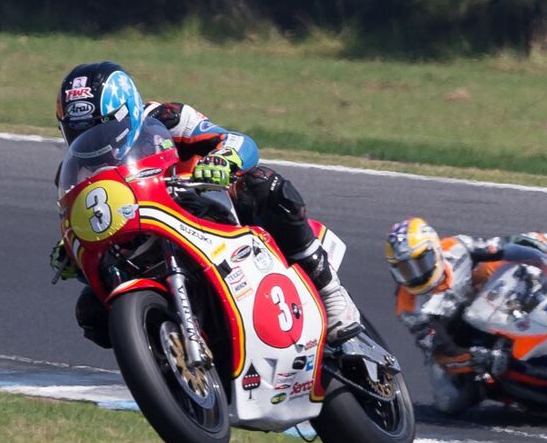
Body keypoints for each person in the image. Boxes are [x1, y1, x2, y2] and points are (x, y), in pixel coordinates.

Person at [49, 61, 361, 348]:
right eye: (79, 130)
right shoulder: (73, 170)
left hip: (204, 212)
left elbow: (237, 141)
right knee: (91, 312)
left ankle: (330, 292)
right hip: (143, 247)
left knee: (262, 183)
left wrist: (223, 159)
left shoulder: (165, 117)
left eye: (101, 125)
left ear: (126, 109)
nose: (91, 137)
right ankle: (171, 367)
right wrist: (70, 247)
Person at [384, 217, 547, 415]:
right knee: (449, 401)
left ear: (435, 250)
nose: (415, 275)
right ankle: (511, 392)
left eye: (420, 263)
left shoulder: (456, 247)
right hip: (457, 336)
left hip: (490, 296)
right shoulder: (409, 308)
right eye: (405, 269)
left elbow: (502, 245)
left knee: (529, 242)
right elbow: (441, 349)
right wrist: (476, 357)